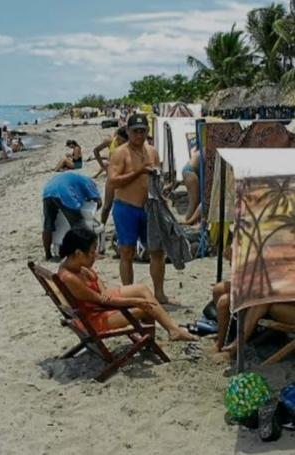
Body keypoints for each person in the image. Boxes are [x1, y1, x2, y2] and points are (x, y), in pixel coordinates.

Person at [57, 227, 197, 341]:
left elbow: (97, 280)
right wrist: (136, 302)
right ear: (78, 253)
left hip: (98, 304)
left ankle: (173, 329)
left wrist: (103, 289)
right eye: (92, 253)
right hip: (94, 318)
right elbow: (102, 302)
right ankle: (154, 340)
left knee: (142, 289)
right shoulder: (70, 278)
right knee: (146, 307)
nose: (95, 256)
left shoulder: (75, 264)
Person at [108, 113, 173, 305]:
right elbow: (112, 181)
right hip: (126, 208)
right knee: (127, 251)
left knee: (157, 251)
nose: (139, 135)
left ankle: (159, 293)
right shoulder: (121, 153)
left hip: (150, 208)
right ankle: (129, 293)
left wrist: (162, 191)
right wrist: (139, 172)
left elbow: (157, 177)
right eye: (135, 131)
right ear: (128, 131)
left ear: (147, 132)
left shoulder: (152, 151)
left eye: (142, 131)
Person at [42, 172, 101, 260]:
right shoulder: (89, 182)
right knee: (79, 225)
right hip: (64, 192)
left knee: (48, 225)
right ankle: (88, 253)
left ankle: (48, 254)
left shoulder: (76, 177)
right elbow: (98, 201)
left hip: (48, 191)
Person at [90, 127, 129, 225]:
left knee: (123, 205)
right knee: (107, 206)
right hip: (112, 177)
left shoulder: (129, 146)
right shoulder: (110, 142)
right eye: (119, 139)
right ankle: (103, 225)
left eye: (123, 141)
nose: (120, 142)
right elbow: (96, 151)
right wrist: (102, 166)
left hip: (125, 177)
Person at [182, 147, 201, 225]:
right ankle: (188, 221)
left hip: (189, 170)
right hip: (190, 171)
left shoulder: (205, 149)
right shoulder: (211, 152)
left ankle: (190, 221)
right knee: (194, 202)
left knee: (195, 201)